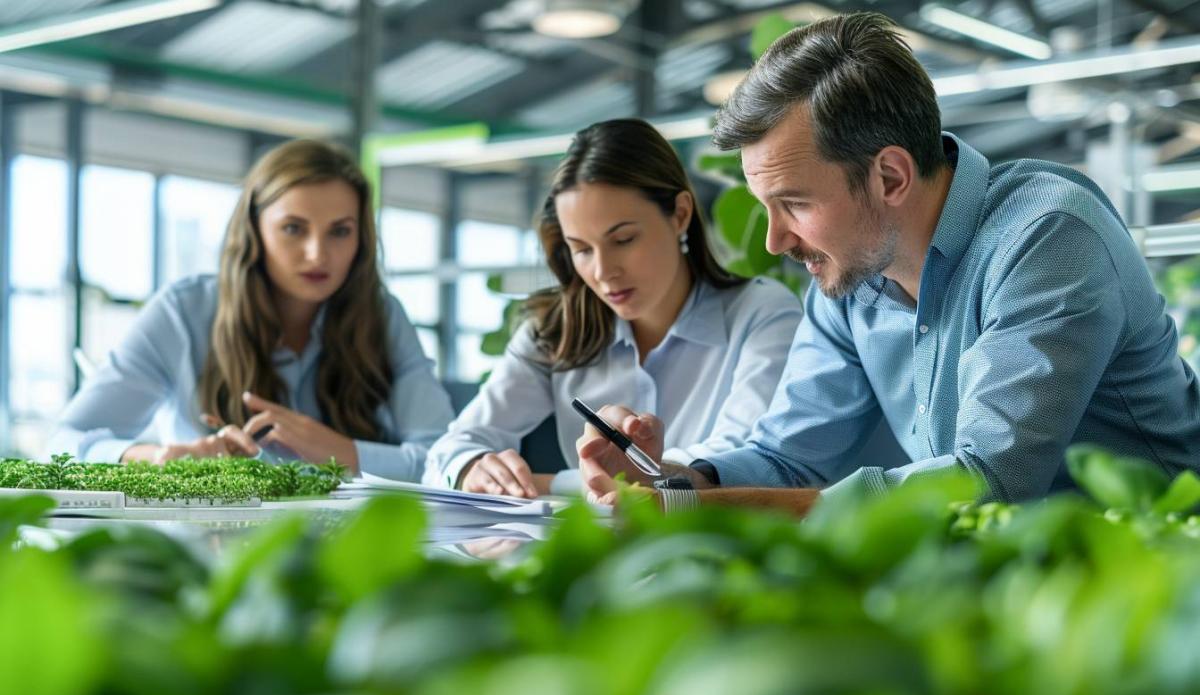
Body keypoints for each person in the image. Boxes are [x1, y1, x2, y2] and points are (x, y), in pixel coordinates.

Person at [577, 12, 1200, 514]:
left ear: (891, 176)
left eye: (793, 203)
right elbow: (789, 456)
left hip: (1157, 568)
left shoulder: (1046, 238)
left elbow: (985, 481)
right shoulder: (849, 276)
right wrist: (678, 480)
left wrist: (691, 511)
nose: (774, 241)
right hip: (1009, 572)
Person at [424, 118, 802, 497]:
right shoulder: (555, 331)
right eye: (582, 249)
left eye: (623, 239)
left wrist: (554, 484)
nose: (604, 272)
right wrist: (471, 469)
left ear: (680, 215)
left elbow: (744, 461)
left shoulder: (760, 314)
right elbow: (451, 450)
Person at [48, 139, 454, 480]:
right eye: (294, 228)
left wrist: (340, 451)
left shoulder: (382, 317)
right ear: (254, 230)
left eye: (340, 231)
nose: (318, 254)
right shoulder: (183, 312)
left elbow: (444, 460)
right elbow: (61, 445)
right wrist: (153, 458)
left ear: (360, 239)